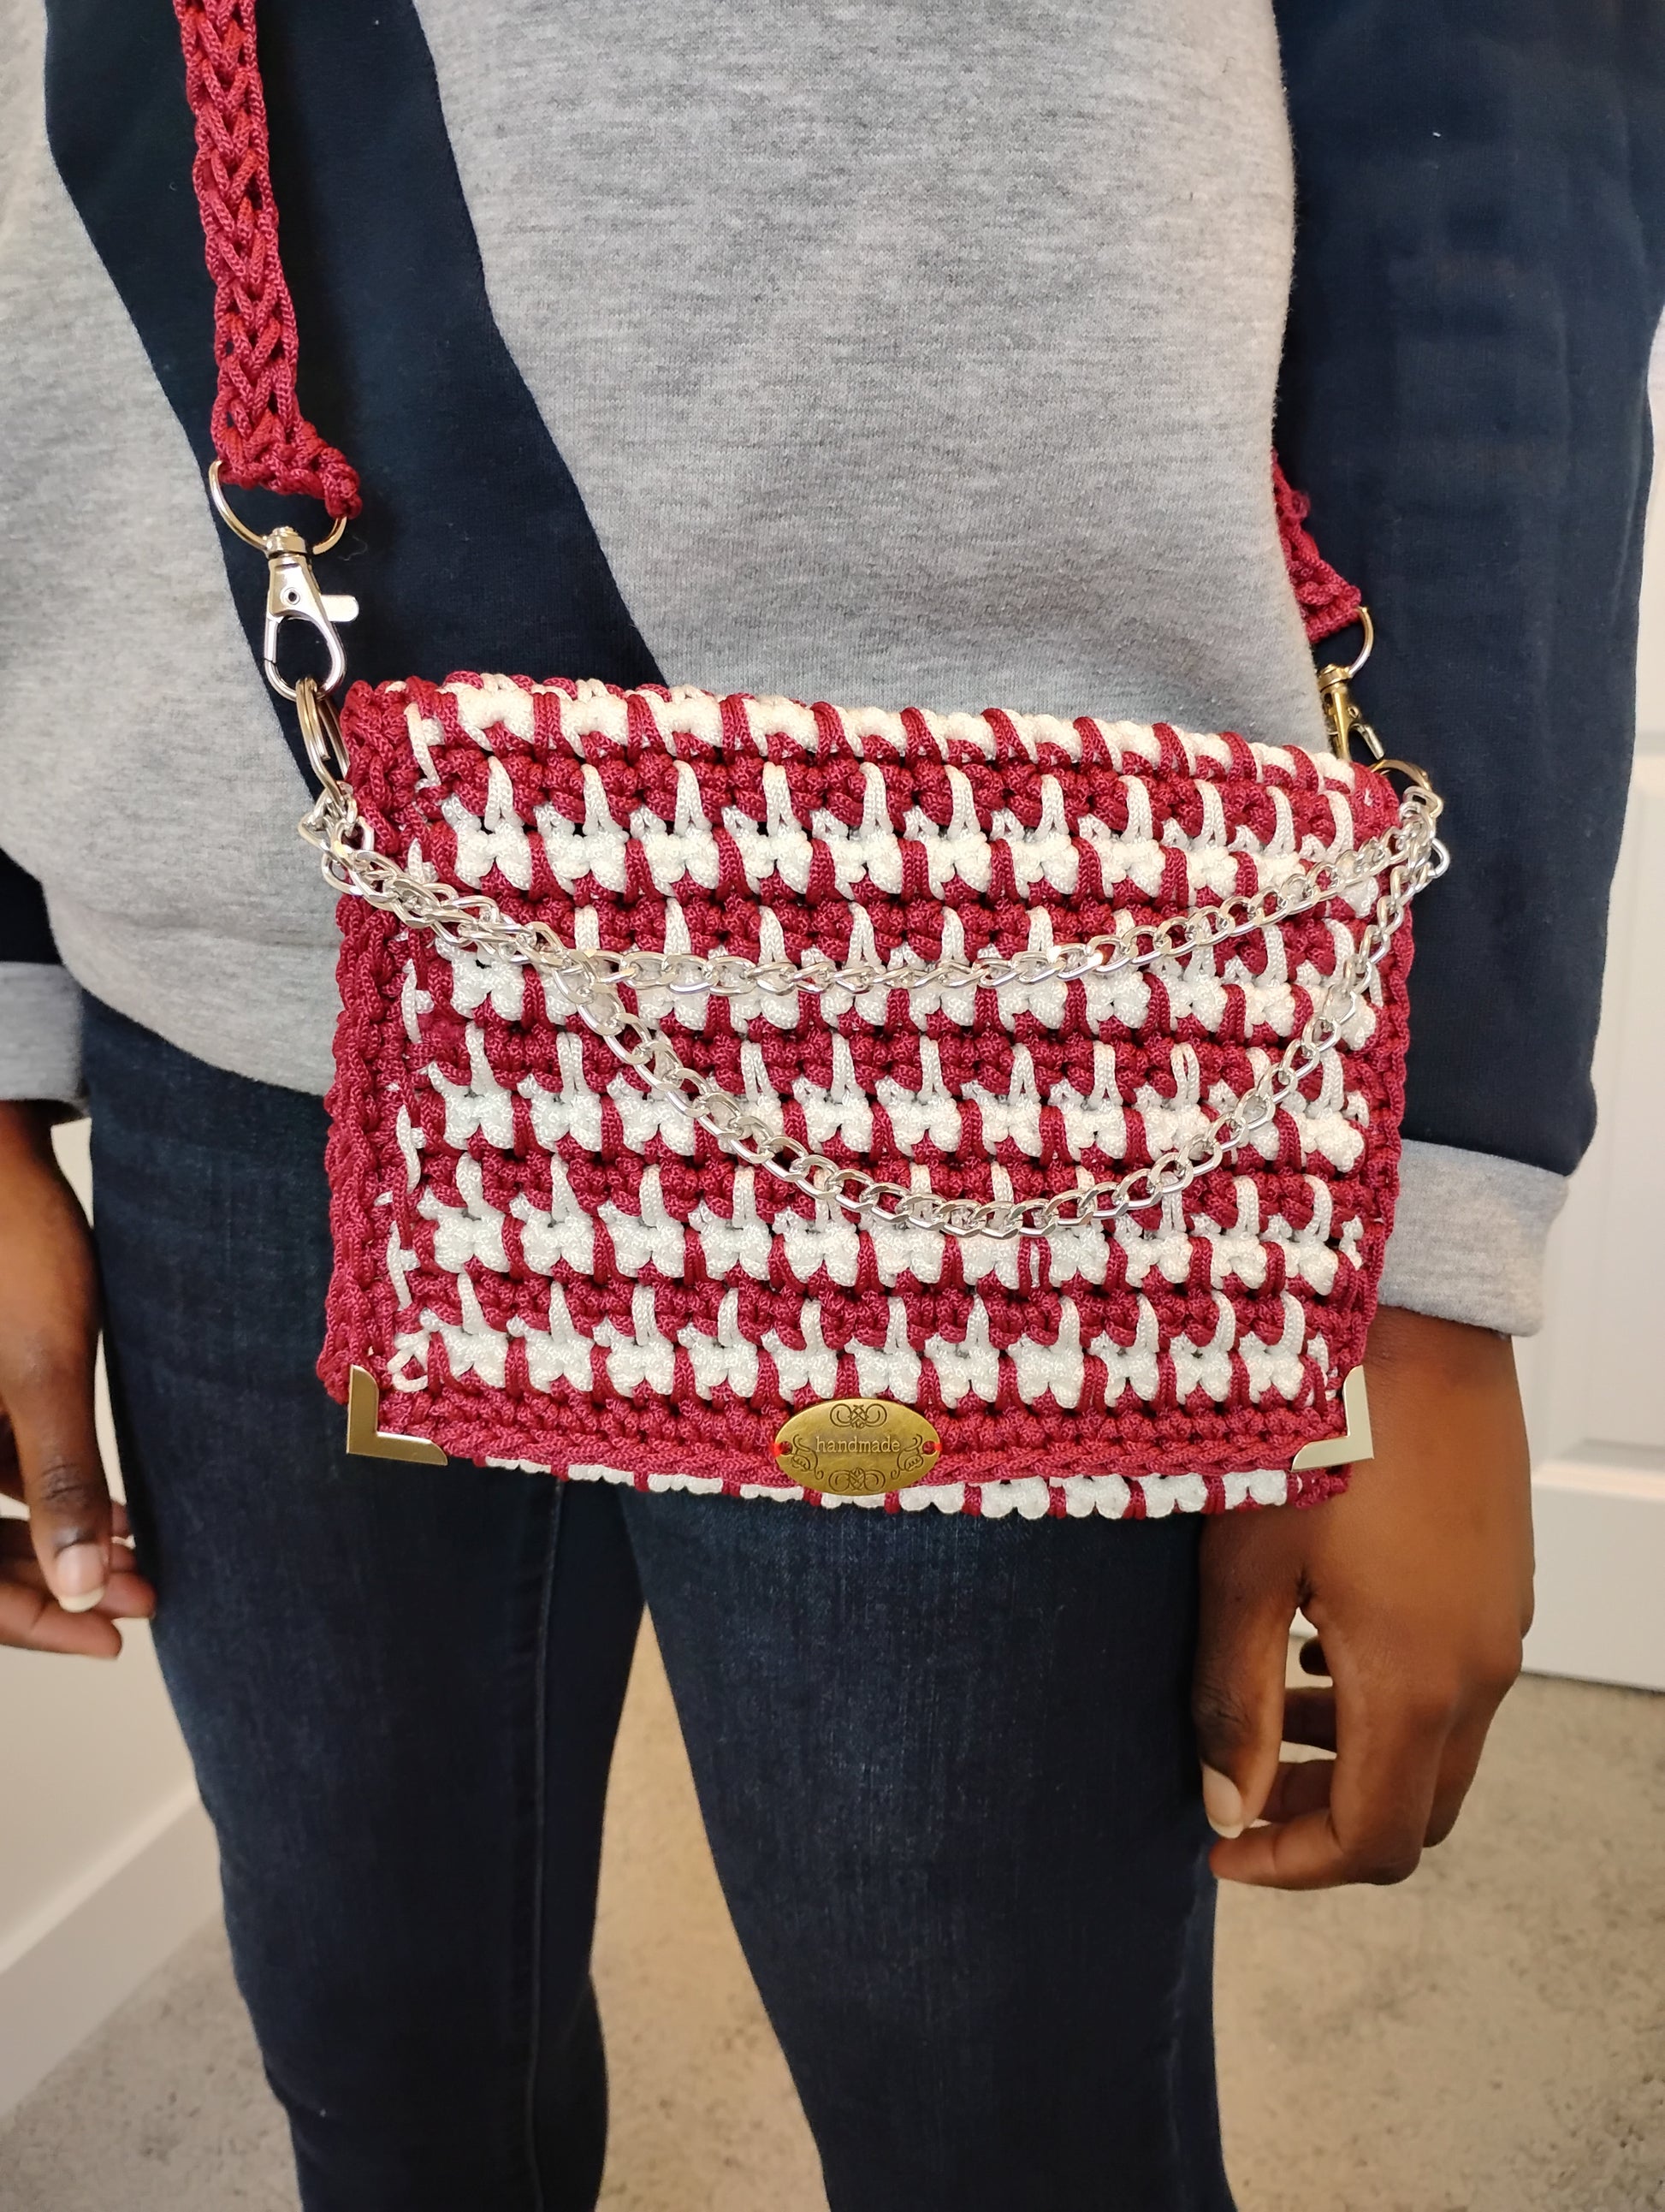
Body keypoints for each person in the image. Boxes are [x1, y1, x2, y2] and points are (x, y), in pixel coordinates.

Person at [1, 3, 1659, 2206]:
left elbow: (1488, 206)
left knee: (1005, 2109)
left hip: (1021, 1055)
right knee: (370, 2051)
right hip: (228, 988)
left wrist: (1420, 1251)